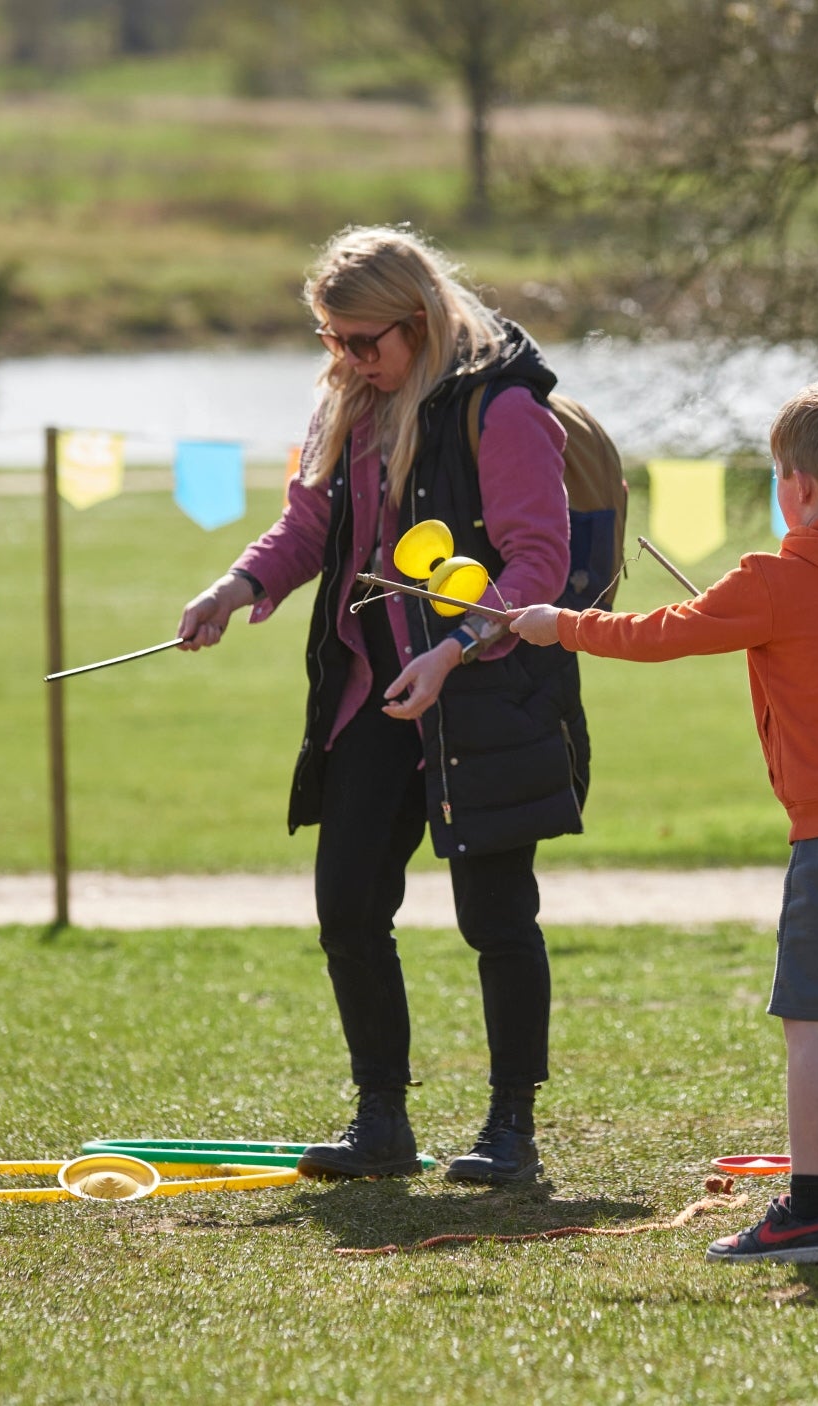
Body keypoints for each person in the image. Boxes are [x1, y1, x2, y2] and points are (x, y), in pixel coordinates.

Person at [510, 368, 818, 1264]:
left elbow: (658, 633)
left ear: (795, 485)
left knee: (813, 1022)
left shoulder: (775, 574)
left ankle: (803, 1209)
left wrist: (557, 623)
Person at [175, 227, 581, 1185]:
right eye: (331, 340)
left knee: (496, 915)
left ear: (421, 320)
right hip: (370, 691)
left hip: (483, 693)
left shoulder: (502, 408)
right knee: (348, 902)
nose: (348, 361)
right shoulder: (347, 406)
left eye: (365, 342)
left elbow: (539, 565)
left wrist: (451, 651)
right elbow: (308, 525)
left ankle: (510, 1131)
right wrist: (235, 588)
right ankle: (381, 1121)